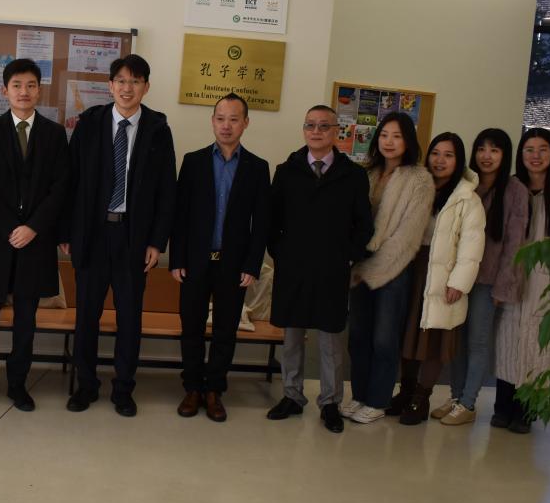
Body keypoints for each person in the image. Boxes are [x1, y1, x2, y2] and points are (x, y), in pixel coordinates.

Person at [60, 54, 176, 417]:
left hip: (133, 237)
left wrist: (156, 241)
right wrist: (67, 231)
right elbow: (70, 180)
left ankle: (124, 388)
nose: (128, 88)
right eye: (121, 81)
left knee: (129, 318)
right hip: (93, 235)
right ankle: (86, 385)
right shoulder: (90, 123)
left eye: (135, 81)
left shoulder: (158, 129)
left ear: (146, 87)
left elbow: (166, 190)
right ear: (110, 86)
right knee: (87, 316)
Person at [0, 59, 68, 412]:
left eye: (30, 85)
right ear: (5, 90)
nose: (24, 92)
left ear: (39, 90)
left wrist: (33, 227)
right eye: (17, 85)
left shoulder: (55, 134)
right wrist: (11, 226)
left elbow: (60, 187)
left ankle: (17, 384)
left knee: (26, 318)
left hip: (35, 241)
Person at [266, 105, 372, 433]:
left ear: (336, 132)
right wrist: (280, 253)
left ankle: (330, 403)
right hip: (293, 268)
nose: (316, 131)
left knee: (330, 340)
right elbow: (272, 219)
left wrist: (348, 256)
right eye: (310, 125)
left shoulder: (353, 175)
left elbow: (364, 225)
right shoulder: (287, 171)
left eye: (324, 126)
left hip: (331, 269)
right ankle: (292, 395)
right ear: (304, 130)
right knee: (292, 338)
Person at [170, 93, 270, 422]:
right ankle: (192, 389)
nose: (226, 125)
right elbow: (180, 215)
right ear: (212, 121)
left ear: (245, 123)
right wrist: (177, 259)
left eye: (234, 119)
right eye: (220, 118)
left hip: (233, 265)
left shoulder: (257, 168)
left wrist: (252, 264)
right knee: (192, 328)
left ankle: (214, 390)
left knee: (226, 331)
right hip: (195, 262)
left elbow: (261, 223)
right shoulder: (194, 161)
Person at [431, 129, 528, 426]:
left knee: (477, 342)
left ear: (505, 156)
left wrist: (503, 287)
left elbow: (515, 245)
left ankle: (469, 403)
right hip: (457, 278)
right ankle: (456, 397)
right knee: (456, 341)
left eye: (495, 150)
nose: (487, 156)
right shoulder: (466, 184)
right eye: (482, 149)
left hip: (487, 282)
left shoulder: (514, 190)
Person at [344, 111, 434, 424]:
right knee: (358, 337)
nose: (389, 142)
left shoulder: (420, 179)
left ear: (408, 141)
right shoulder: (366, 173)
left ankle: (378, 400)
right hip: (359, 268)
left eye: (397, 136)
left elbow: (407, 237)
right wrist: (356, 262)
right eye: (384, 135)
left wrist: (373, 267)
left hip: (394, 271)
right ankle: (359, 396)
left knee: (384, 339)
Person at [494, 128, 550, 433]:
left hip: (548, 282)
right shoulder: (512, 187)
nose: (535, 156)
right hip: (513, 278)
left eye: (542, 149)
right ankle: (502, 406)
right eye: (529, 149)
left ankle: (526, 410)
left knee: (539, 346)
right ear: (520, 154)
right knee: (507, 341)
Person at [391, 132, 486, 425]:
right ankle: (406, 391)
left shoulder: (467, 198)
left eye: (448, 155)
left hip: (443, 275)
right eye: (435, 153)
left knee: (434, 340)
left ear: (458, 161)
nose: (440, 160)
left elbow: (472, 245)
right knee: (408, 335)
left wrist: (459, 282)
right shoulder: (417, 188)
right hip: (412, 269)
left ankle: (421, 397)